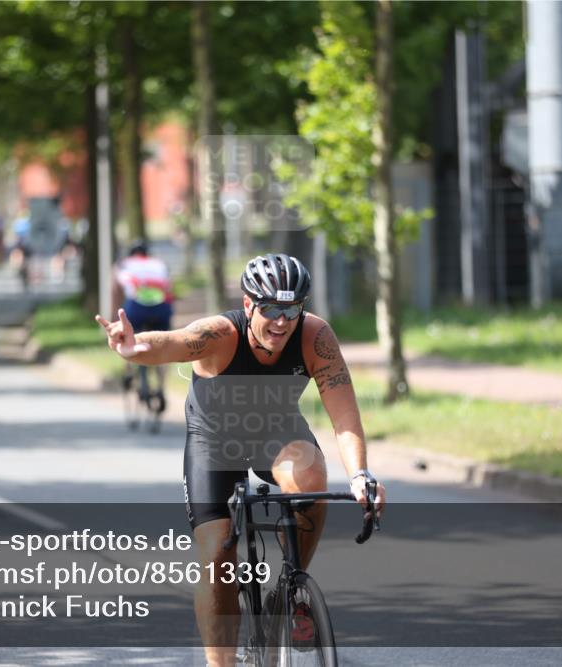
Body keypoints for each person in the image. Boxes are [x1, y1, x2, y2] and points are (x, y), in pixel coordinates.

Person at [95, 253, 386, 666]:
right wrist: (135, 346)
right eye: (270, 309)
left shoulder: (315, 337)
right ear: (249, 304)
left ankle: (293, 589)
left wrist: (359, 474)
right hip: (214, 440)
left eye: (291, 309)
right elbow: (176, 342)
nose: (281, 322)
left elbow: (344, 413)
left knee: (310, 483)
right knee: (218, 556)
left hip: (277, 430)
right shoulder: (221, 334)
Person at [111, 240, 174, 405]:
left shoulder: (123, 264)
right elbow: (169, 288)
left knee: (125, 337)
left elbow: (115, 291)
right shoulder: (159, 264)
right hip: (161, 307)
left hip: (136, 307)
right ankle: (161, 387)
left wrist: (115, 319)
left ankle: (129, 371)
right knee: (165, 345)